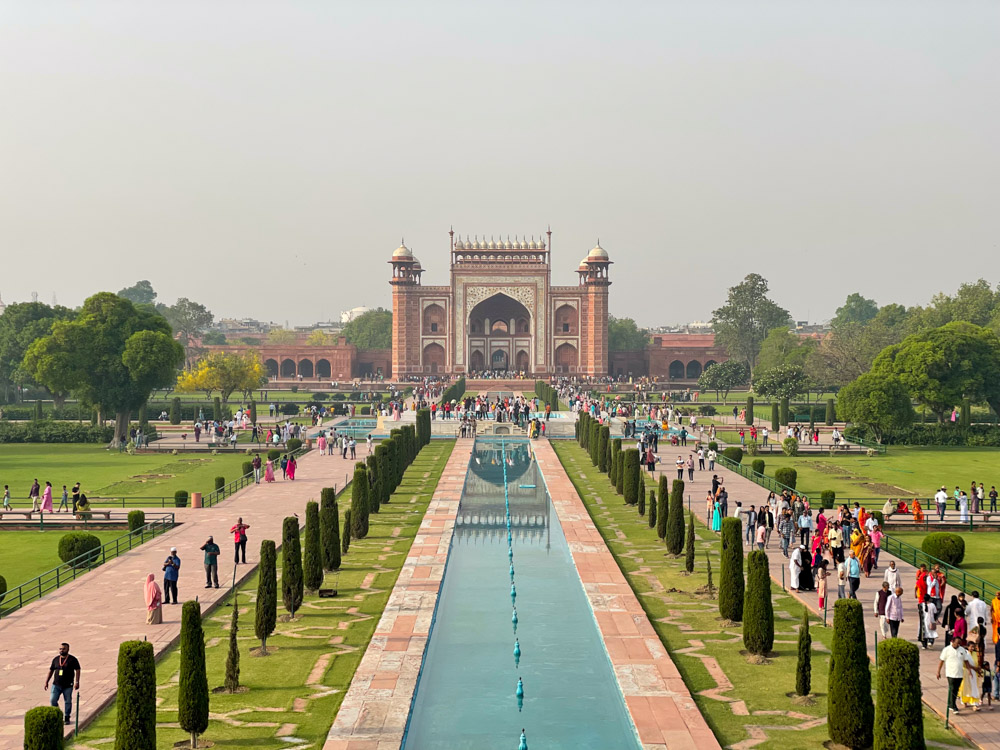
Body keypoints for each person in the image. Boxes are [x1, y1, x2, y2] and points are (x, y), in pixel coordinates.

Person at [939, 637, 979, 713]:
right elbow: (941, 661)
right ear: (952, 642)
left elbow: (966, 661)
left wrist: (969, 670)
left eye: (959, 643)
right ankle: (953, 706)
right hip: (950, 673)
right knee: (952, 688)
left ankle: (951, 704)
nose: (958, 644)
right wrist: (938, 671)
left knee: (956, 690)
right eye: (957, 642)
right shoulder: (947, 649)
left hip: (959, 674)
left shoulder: (962, 650)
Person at [45, 643, 81, 725]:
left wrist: (77, 682)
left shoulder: (72, 659)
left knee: (67, 701)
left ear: (68, 649)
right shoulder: (56, 659)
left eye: (64, 649)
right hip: (56, 684)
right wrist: (46, 681)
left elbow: (78, 669)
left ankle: (67, 716)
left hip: (68, 685)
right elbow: (51, 670)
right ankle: (57, 714)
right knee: (52, 700)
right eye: (60, 649)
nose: (62, 650)